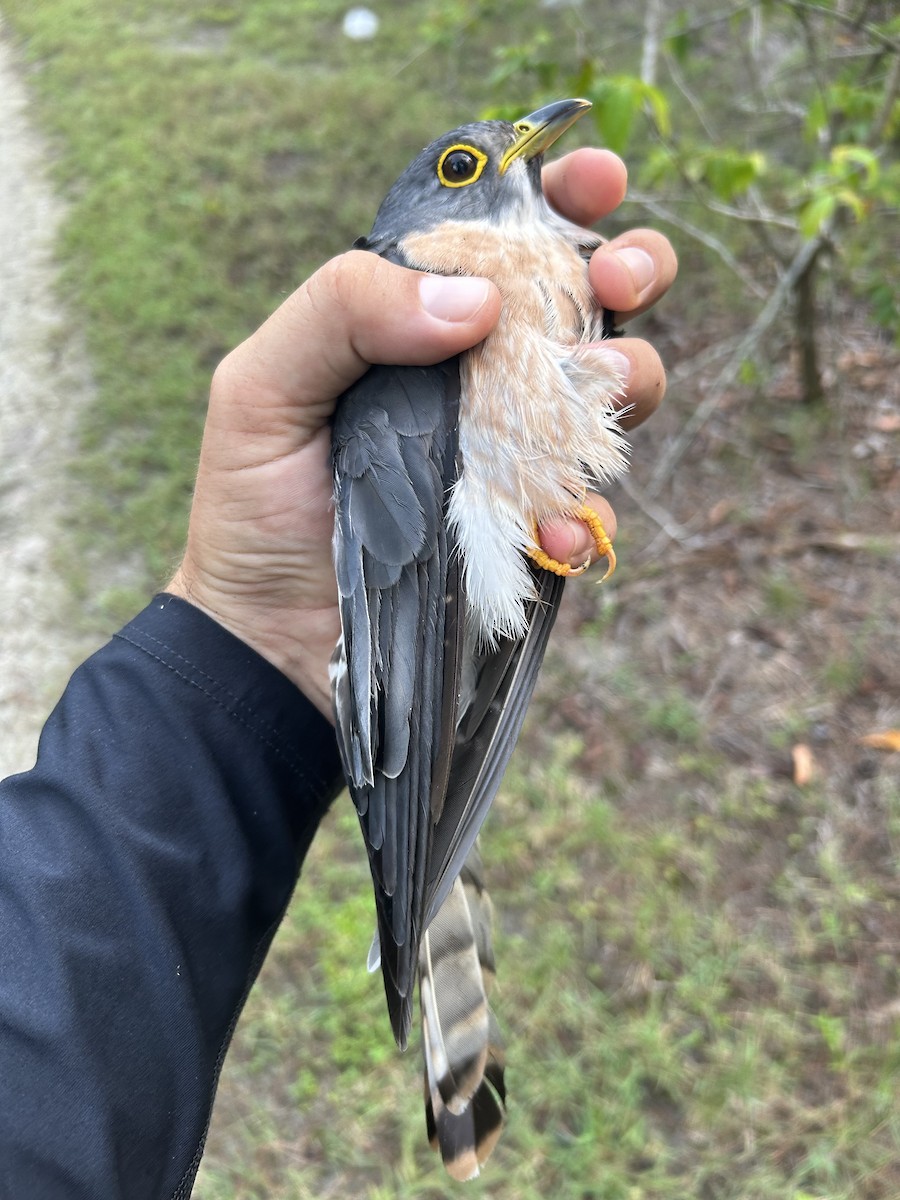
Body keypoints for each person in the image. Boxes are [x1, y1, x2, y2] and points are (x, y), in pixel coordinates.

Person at [0, 147, 677, 1198]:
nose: (508, 163)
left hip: (414, 637)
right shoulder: (416, 285)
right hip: (407, 652)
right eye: (467, 160)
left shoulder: (500, 276)